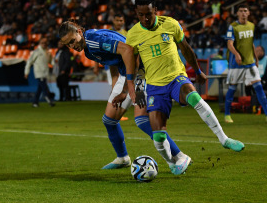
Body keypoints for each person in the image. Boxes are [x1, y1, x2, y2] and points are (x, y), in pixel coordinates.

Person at [124, 0, 245, 176]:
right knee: (158, 136)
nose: (145, 18)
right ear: (136, 13)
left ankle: (224, 139)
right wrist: (133, 88)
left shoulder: (171, 24)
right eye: (141, 15)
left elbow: (186, 49)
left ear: (155, 10)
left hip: (176, 78)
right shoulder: (133, 34)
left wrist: (197, 72)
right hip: (155, 87)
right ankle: (172, 162)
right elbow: (132, 63)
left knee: (194, 97)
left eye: (148, 13)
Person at [58, 20, 187, 170]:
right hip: (127, 73)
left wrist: (127, 88)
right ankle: (123, 158)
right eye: (68, 44)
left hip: (141, 71)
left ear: (79, 32)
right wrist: (116, 89)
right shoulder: (89, 47)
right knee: (109, 120)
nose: (72, 46)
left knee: (143, 120)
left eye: (73, 41)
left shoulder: (93, 41)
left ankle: (179, 156)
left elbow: (128, 51)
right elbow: (112, 59)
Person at [224, 4, 267, 123]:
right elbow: (229, 44)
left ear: (248, 13)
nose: (243, 13)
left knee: (258, 87)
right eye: (241, 11)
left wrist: (256, 58)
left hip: (250, 63)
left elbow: (251, 43)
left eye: (245, 11)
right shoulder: (232, 27)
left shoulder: (251, 26)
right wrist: (237, 54)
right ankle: (227, 115)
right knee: (233, 88)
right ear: (237, 13)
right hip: (236, 64)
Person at [24, 37, 56, 107]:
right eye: (42, 43)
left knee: (40, 87)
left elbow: (51, 61)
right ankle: (49, 100)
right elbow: (29, 62)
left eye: (45, 43)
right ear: (40, 43)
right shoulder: (36, 52)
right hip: (39, 72)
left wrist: (54, 63)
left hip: (45, 72)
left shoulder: (48, 52)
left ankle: (35, 102)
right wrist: (26, 72)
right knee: (44, 87)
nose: (44, 44)